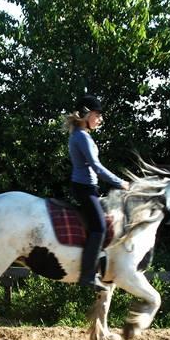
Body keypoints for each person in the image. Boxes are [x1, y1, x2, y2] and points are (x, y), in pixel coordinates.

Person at [66, 94, 129, 292]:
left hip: (87, 187)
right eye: (97, 114)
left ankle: (102, 266)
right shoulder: (81, 137)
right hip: (85, 188)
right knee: (100, 228)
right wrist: (120, 183)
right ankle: (87, 275)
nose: (100, 119)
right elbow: (97, 167)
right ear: (86, 114)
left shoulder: (80, 135)